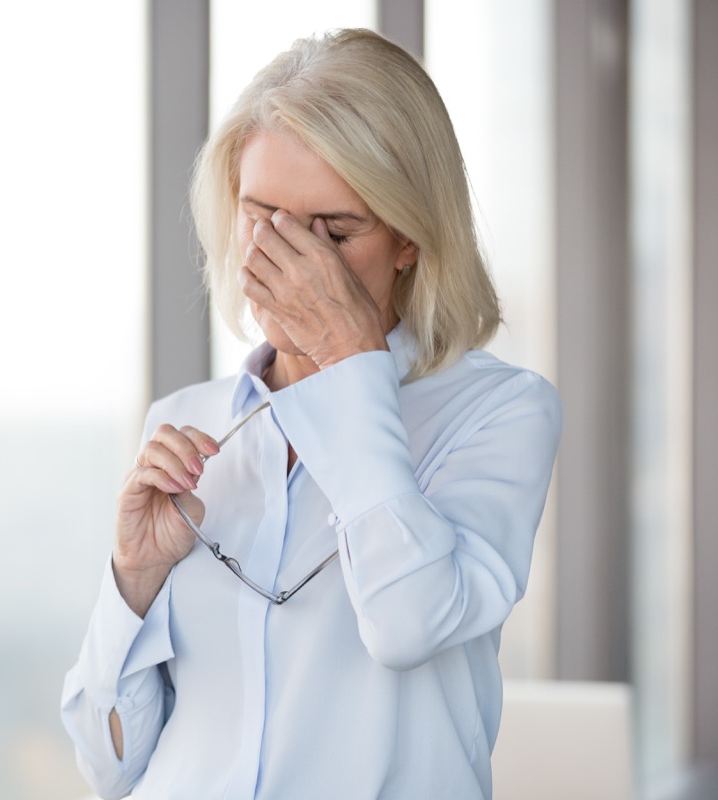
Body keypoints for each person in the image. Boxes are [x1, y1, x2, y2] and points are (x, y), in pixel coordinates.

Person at [61, 28, 562, 800]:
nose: (289, 261)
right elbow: (109, 765)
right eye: (261, 216)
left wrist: (349, 360)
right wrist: (133, 578)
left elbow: (407, 622)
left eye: (334, 232)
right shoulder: (188, 420)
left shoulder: (500, 414)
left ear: (409, 239)